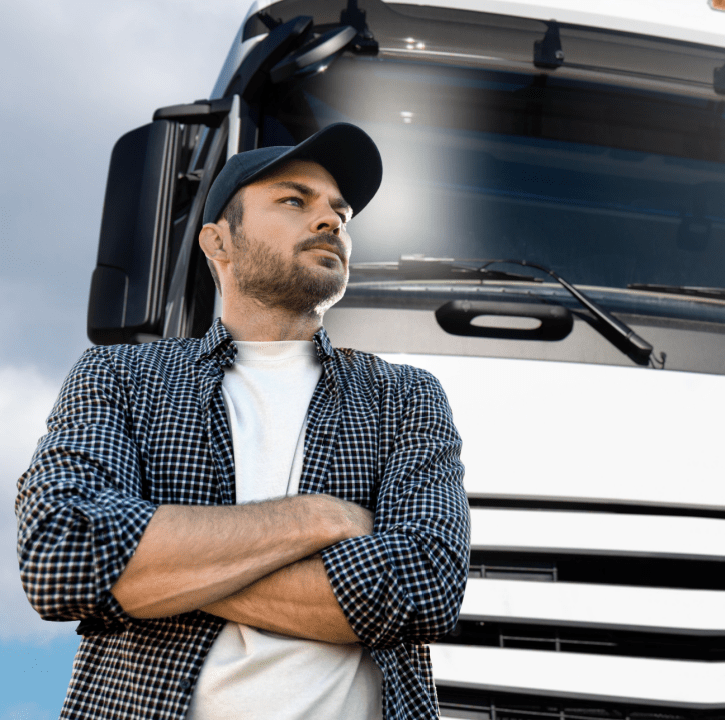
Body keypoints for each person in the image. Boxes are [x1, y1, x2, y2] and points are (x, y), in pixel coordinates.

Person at [15, 123, 469, 720]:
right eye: (293, 200)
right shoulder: (122, 376)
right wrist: (318, 518)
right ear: (217, 242)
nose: (330, 220)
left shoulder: (404, 397)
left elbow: (423, 588)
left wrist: (156, 577)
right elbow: (61, 552)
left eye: (340, 211)